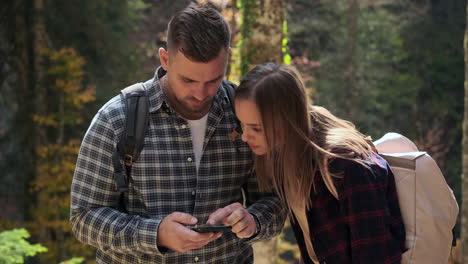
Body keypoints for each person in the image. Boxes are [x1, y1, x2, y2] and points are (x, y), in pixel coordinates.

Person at [70, 4, 285, 263]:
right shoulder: (117, 119)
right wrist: (155, 234)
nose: (201, 93)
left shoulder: (243, 115)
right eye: (188, 80)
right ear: (165, 59)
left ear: (227, 57)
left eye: (214, 80)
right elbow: (84, 218)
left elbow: (275, 201)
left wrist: (253, 221)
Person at [234, 63, 406, 264]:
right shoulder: (287, 159)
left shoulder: (346, 166)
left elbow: (378, 257)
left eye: (256, 128)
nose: (245, 136)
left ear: (286, 118)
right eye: (242, 124)